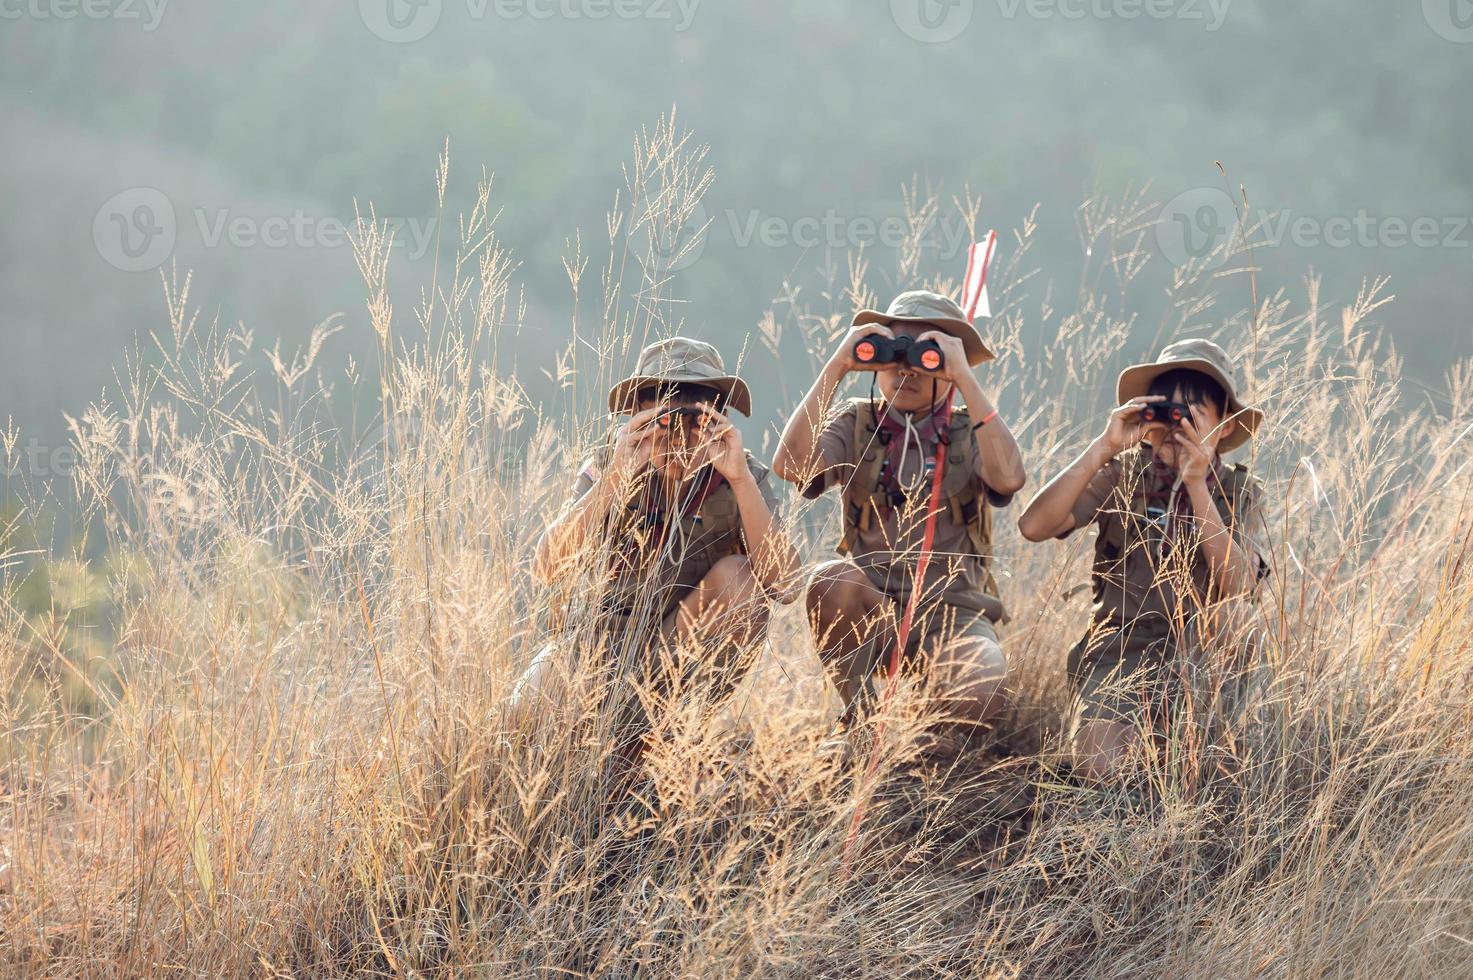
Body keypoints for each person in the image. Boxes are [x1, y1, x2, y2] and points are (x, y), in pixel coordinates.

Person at [772, 290, 1026, 760]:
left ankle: (928, 747)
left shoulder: (974, 428)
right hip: (872, 606)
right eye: (894, 352)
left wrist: (964, 377)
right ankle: (863, 724)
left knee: (981, 686)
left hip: (955, 614)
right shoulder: (857, 420)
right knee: (829, 580)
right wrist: (837, 366)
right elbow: (789, 464)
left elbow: (1010, 477)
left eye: (925, 355)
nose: (906, 368)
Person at [522, 337, 799, 765]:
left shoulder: (741, 475)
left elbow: (787, 585)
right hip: (600, 645)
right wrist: (617, 476)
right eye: (664, 414)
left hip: (678, 656)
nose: (680, 434)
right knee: (519, 716)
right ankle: (610, 748)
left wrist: (741, 481)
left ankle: (662, 739)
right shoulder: (610, 465)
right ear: (639, 415)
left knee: (740, 577)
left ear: (717, 418)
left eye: (696, 416)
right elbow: (546, 567)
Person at [1017, 339, 1270, 782]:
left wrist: (1196, 484)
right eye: (1164, 414)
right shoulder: (1122, 475)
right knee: (1100, 767)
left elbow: (1240, 587)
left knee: (1234, 623)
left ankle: (1198, 743)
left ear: (1225, 426)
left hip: (1197, 653)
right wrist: (1104, 447)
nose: (1175, 428)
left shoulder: (1241, 493)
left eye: (1191, 417)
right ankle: (1145, 748)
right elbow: (1035, 526)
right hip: (1119, 648)